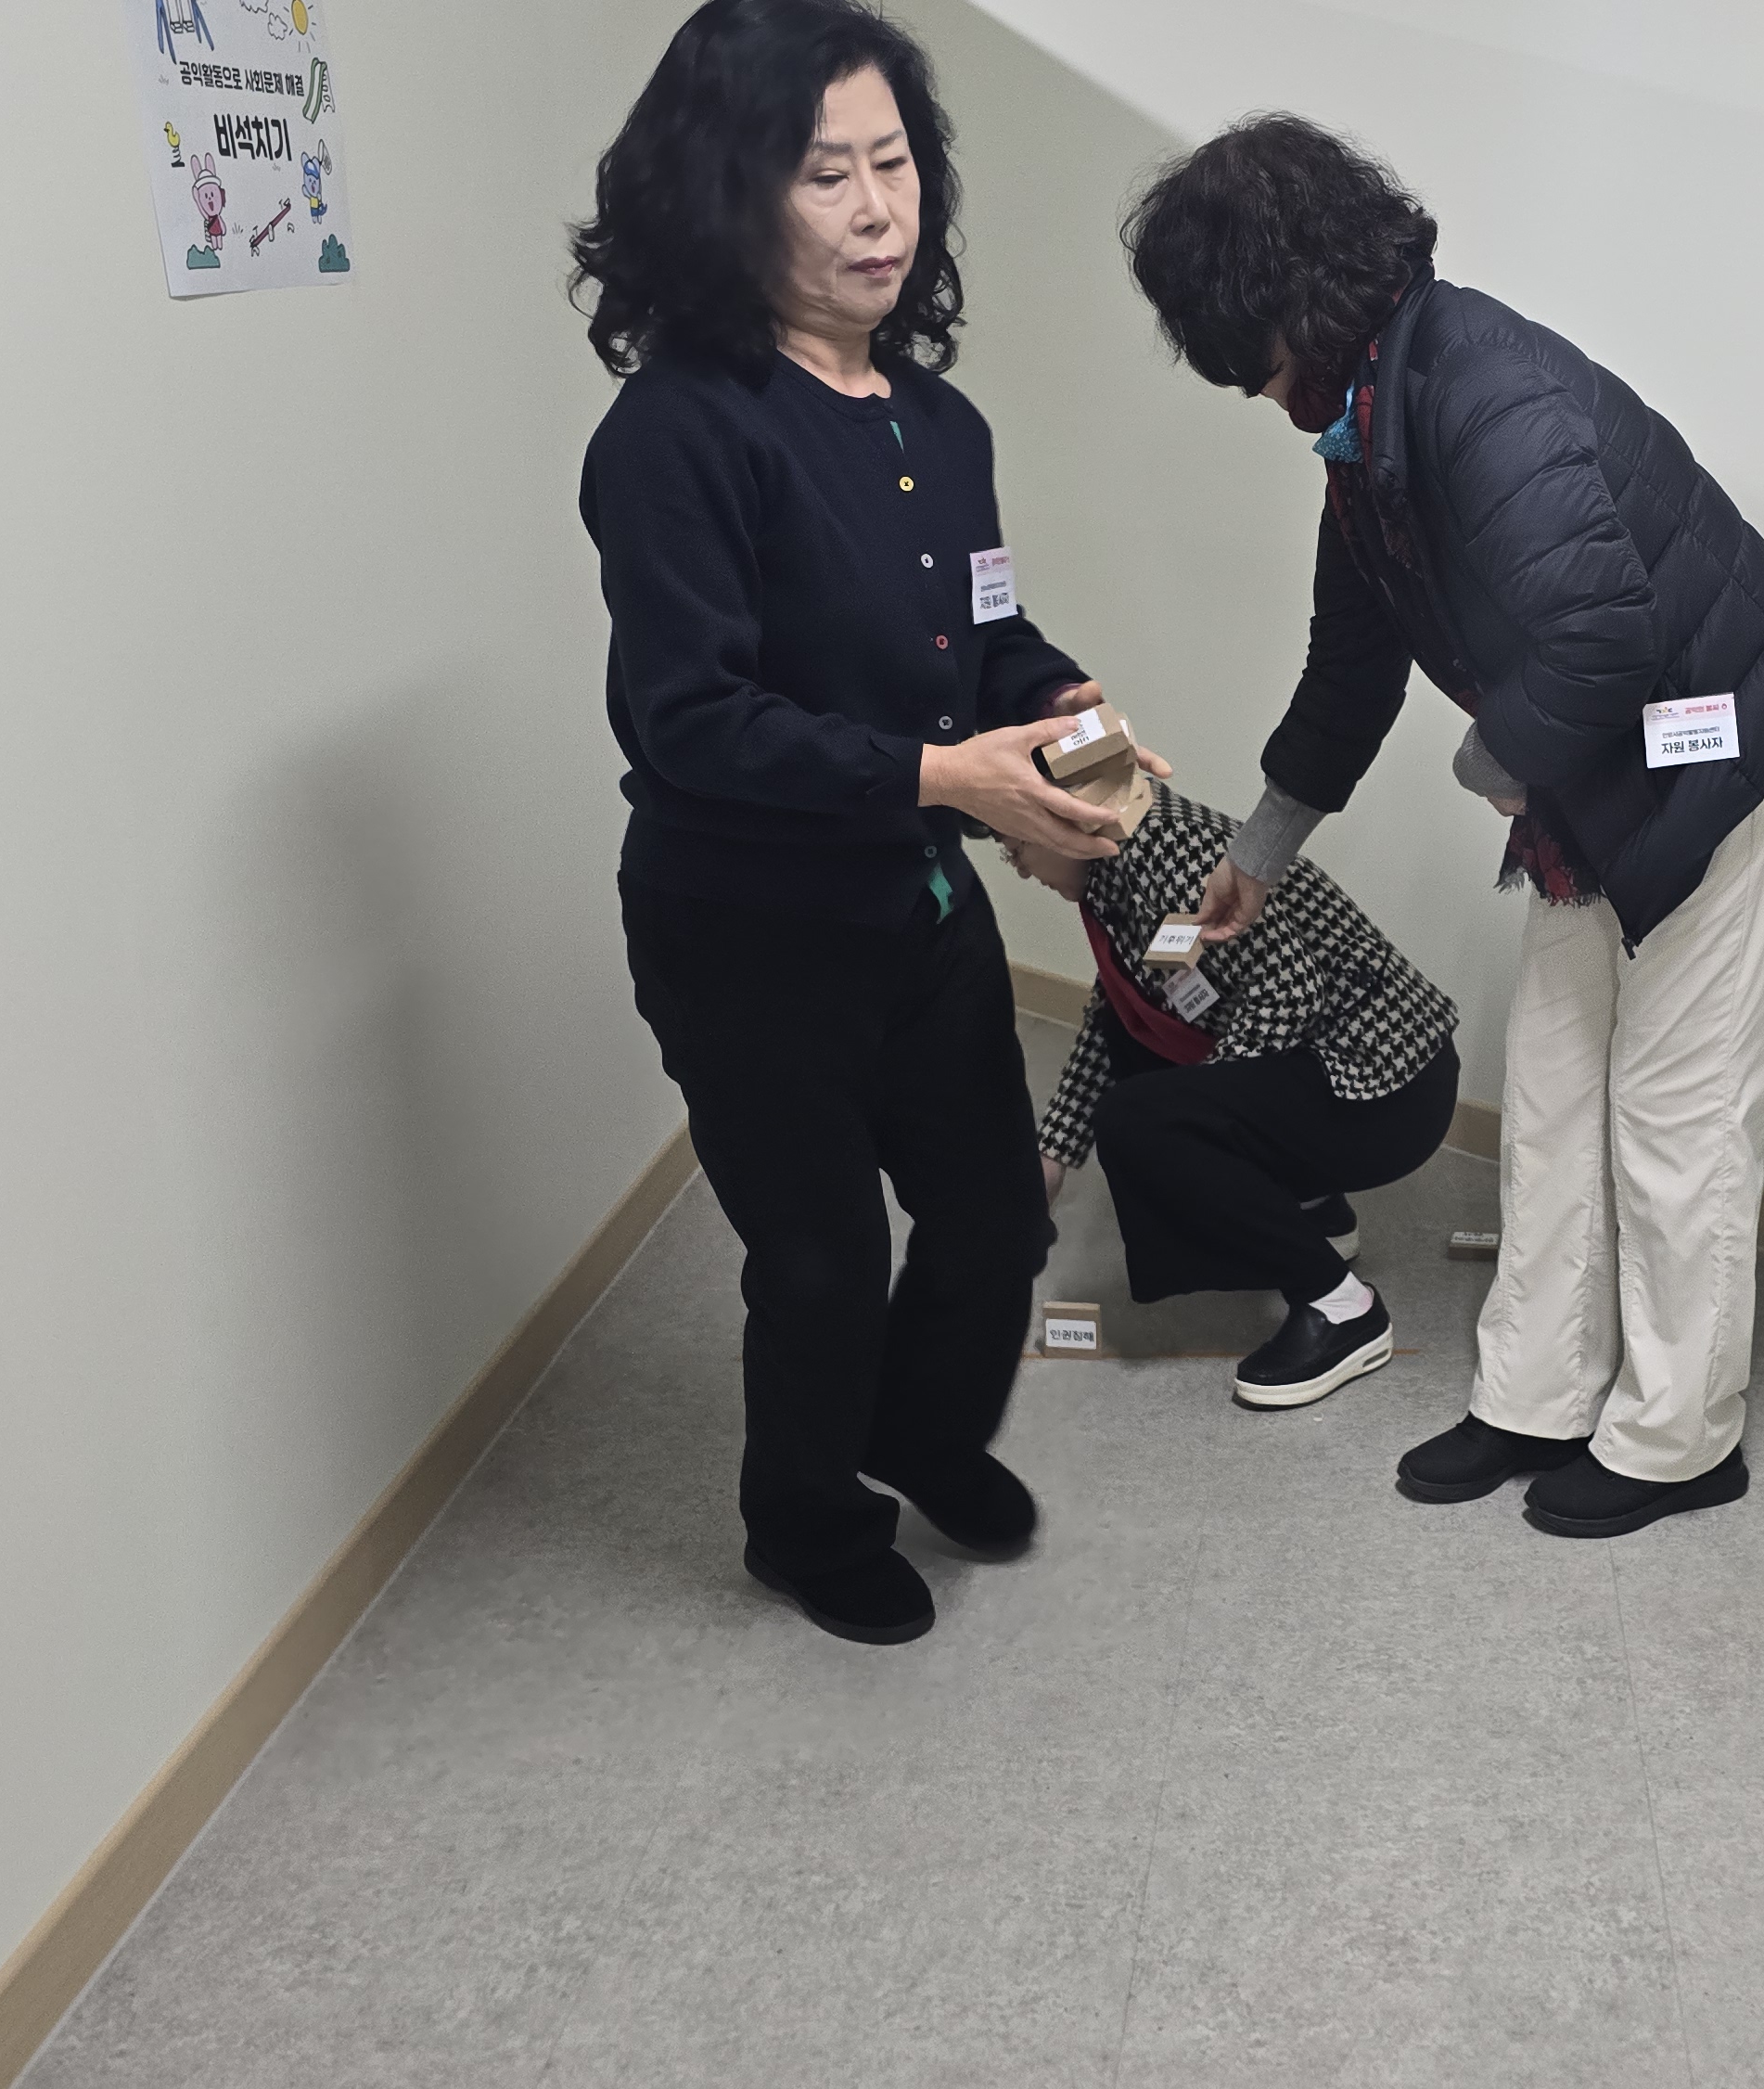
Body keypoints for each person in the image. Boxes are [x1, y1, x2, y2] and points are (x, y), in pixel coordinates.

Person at [1122, 119, 1764, 1539]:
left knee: (1678, 1113)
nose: (1257, 396)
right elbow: (1350, 666)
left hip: (1722, 748)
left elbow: (1598, 633)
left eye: (1248, 358)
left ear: (1296, 302)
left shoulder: (1479, 388)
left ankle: (1679, 1439)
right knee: (1558, 1093)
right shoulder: (1373, 424)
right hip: (1600, 763)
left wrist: (1490, 762)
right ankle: (1535, 1396)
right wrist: (1257, 857)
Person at [569, 0, 1160, 1644]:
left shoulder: (937, 425)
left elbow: (982, 636)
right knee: (821, 1261)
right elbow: (692, 721)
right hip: (745, 930)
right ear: (726, 193)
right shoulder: (676, 433)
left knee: (994, 1217)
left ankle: (920, 1432)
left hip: (915, 907)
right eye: (825, 174)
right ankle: (806, 1523)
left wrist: (1065, 712)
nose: (877, 210)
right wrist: (950, 779)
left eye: (893, 164)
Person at [992, 785, 1462, 1407]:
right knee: (1139, 1060)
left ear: (1062, 821)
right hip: (1353, 1073)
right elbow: (1124, 1013)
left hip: (1390, 1091)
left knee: (1142, 1121)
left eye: (1014, 848)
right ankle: (1315, 1213)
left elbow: (1288, 990)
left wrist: (1202, 1119)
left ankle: (1341, 1308)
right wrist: (1051, 1158)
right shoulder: (1122, 863)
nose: (1021, 869)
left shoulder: (1168, 851)